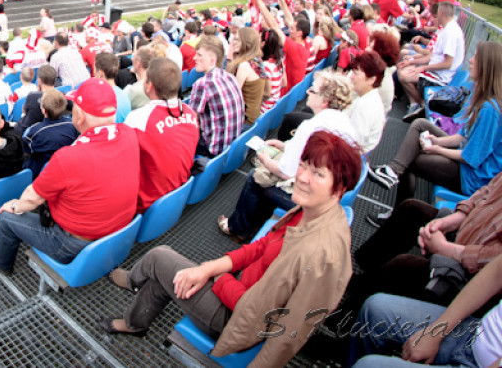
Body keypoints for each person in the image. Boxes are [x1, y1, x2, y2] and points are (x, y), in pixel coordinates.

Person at [100, 133, 360, 368]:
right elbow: (259, 248)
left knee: (159, 257)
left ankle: (135, 281)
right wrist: (210, 269)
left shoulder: (325, 255)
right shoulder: (309, 211)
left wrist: (216, 277)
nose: (302, 177)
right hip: (237, 291)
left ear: (339, 187)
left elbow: (289, 334)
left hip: (236, 319)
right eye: (304, 165)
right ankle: (136, 322)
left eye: (318, 174)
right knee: (170, 272)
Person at [0, 78, 140, 274]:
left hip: (72, 243)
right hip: (119, 233)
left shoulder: (68, 157)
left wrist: (13, 206)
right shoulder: (130, 134)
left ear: (79, 116)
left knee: (6, 218)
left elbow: (31, 198)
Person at [219, 73, 357, 242]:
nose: (307, 91)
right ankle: (258, 218)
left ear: (324, 101)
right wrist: (285, 146)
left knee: (254, 177)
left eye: (312, 90)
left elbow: (285, 172)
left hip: (311, 199)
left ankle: (238, 228)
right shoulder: (345, 124)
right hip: (329, 196)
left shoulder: (311, 127)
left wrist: (265, 160)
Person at [350, 166, 502, 317]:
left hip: (478, 277)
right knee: (411, 212)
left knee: (402, 267)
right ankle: (364, 277)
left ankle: (346, 319)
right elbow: (488, 190)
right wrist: (455, 219)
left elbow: (496, 263)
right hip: (467, 233)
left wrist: (446, 249)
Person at [369, 40, 502, 211]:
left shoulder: (491, 110)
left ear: (487, 66)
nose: (470, 60)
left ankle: (398, 211)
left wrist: (437, 150)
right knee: (421, 124)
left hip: (472, 177)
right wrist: (437, 142)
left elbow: (471, 158)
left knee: (412, 161)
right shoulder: (483, 98)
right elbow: (462, 137)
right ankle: (393, 171)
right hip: (465, 161)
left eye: (476, 57)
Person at [347, 253, 502, 367]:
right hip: (474, 334)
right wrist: (435, 331)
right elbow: (496, 273)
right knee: (375, 309)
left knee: (369, 365)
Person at [124, 58, 197, 213]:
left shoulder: (138, 119)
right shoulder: (190, 112)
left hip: (147, 202)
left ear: (149, 86)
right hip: (178, 192)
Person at [398, 0, 465, 122]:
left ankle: (422, 105)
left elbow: (447, 63)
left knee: (404, 75)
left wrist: (422, 68)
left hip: (440, 78)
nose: (435, 17)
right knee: (403, 68)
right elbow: (433, 56)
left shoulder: (450, 32)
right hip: (436, 73)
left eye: (437, 14)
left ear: (442, 13)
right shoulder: (447, 29)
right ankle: (416, 105)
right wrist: (411, 61)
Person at [187, 36, 245, 157]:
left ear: (212, 60)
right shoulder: (230, 77)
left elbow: (189, 121)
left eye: (199, 55)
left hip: (214, 149)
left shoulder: (203, 84)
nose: (194, 58)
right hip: (232, 145)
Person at [21, 89, 79, 178]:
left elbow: (26, 152)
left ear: (43, 110)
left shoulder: (34, 131)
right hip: (66, 169)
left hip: (41, 173)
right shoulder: (72, 125)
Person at [346, 51, 387, 154]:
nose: (351, 76)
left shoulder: (364, 106)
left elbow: (352, 143)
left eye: (356, 73)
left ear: (372, 79)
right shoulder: (368, 98)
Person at [225, 26, 267, 127]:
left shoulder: (244, 65)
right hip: (254, 116)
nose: (234, 42)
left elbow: (232, 96)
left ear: (246, 43)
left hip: (246, 121)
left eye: (238, 40)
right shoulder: (257, 61)